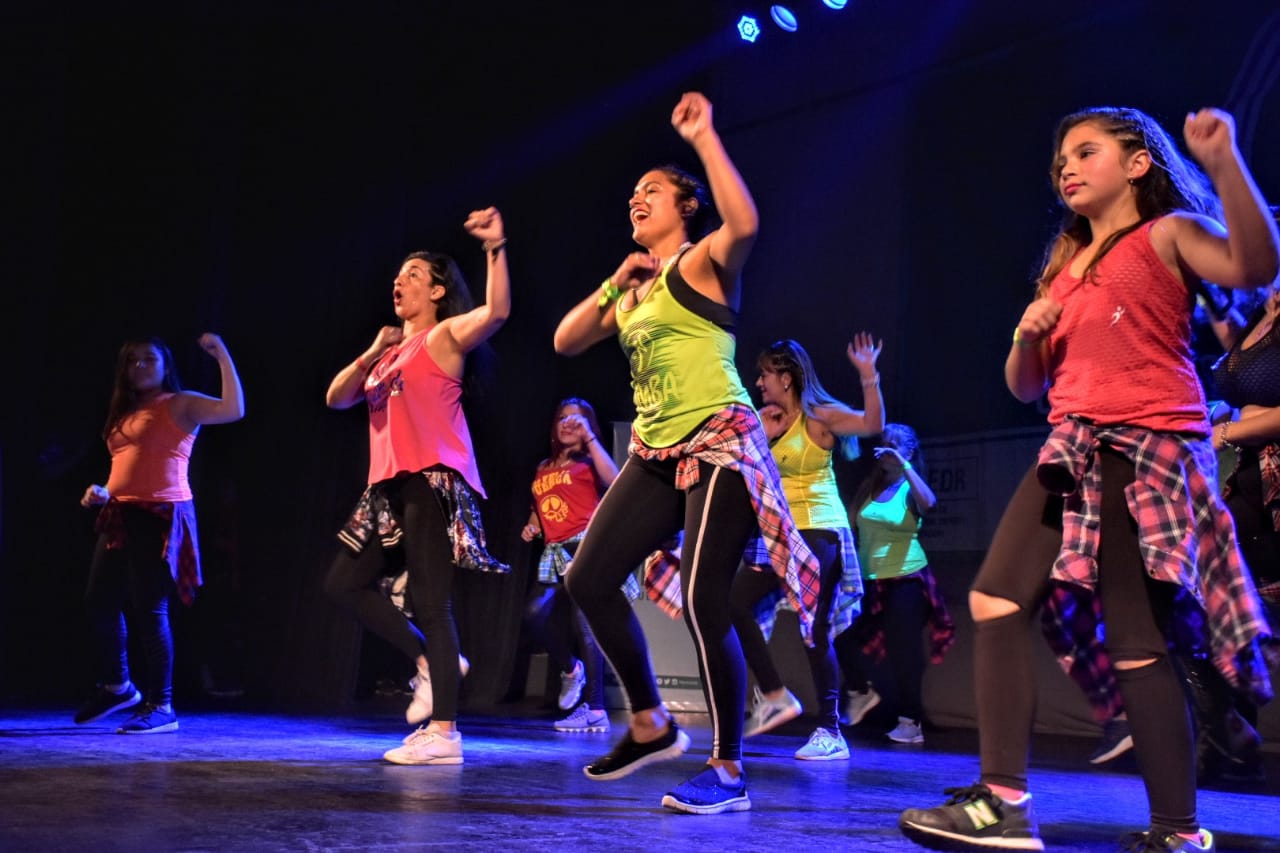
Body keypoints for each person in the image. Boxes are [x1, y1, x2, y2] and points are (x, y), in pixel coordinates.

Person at [898, 106, 1277, 853]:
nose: (1066, 167)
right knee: (996, 597)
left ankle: (1178, 830)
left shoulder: (1167, 233)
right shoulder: (1064, 264)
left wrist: (1225, 159)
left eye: (1085, 151)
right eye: (1060, 160)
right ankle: (1004, 801)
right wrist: (1026, 335)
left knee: (1137, 641)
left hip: (1142, 451)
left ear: (1138, 163)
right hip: (1071, 447)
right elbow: (1024, 386)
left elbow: (1256, 266)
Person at [553, 91, 820, 815]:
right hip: (656, 451)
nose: (636, 199)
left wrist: (703, 137)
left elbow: (747, 223)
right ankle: (648, 721)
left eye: (653, 191)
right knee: (587, 578)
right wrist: (615, 281)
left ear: (687, 206)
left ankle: (728, 769)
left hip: (721, 440)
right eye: (632, 194)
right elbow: (567, 340)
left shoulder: (703, 263)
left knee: (706, 597)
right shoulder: (634, 294)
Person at [323, 208, 511, 766]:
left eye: (412, 274)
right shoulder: (387, 356)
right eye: (397, 274)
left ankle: (446, 732)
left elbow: (497, 312)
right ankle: (430, 661)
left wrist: (495, 247)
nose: (398, 282)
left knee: (431, 602)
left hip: (432, 478)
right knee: (343, 584)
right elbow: (336, 397)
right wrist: (371, 352)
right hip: (387, 488)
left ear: (436, 290)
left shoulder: (444, 336)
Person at [76, 333, 245, 733]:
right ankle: (118, 686)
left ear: (166, 365)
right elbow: (130, 464)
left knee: (150, 608)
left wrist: (221, 353)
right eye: (132, 360)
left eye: (148, 359)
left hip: (161, 514)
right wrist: (101, 491)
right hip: (121, 513)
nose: (139, 366)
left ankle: (162, 704)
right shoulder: (125, 411)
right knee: (99, 602)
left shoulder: (179, 403)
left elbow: (233, 409)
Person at [731, 335, 883, 761]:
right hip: (780, 534)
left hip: (820, 530)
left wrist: (868, 374)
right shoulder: (767, 422)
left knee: (813, 630)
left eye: (764, 374)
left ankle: (830, 731)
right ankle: (775, 694)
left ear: (785, 376)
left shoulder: (819, 417)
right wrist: (762, 433)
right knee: (734, 604)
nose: (758, 383)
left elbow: (872, 423)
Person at [843, 423, 954, 746]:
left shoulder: (909, 487)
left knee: (904, 651)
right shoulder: (869, 486)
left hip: (906, 578)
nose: (886, 450)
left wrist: (904, 465)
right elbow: (850, 523)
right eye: (884, 444)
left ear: (908, 451)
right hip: (869, 579)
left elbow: (929, 503)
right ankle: (861, 693)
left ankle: (911, 721)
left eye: (894, 445)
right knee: (842, 634)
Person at [520, 397, 619, 733]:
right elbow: (541, 506)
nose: (567, 424)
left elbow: (615, 480)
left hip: (585, 548)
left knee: (585, 627)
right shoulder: (543, 467)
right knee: (534, 613)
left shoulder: (590, 461)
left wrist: (589, 438)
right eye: (562, 417)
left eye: (576, 419)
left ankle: (596, 709)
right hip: (554, 551)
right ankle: (571, 670)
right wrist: (533, 524)